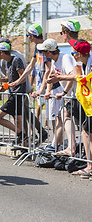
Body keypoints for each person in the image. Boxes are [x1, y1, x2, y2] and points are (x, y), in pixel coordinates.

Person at [47, 39, 92, 177]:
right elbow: (78, 76)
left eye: (73, 52)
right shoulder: (84, 63)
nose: (72, 55)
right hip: (88, 104)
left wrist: (60, 78)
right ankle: (89, 165)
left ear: (78, 54)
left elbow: (80, 78)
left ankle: (90, 166)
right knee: (86, 130)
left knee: (86, 132)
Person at [38, 39, 76, 151]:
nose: (42, 54)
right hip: (67, 95)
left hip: (73, 94)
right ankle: (56, 144)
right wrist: (47, 91)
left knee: (67, 118)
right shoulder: (55, 60)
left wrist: (64, 92)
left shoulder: (65, 58)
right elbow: (51, 76)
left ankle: (70, 147)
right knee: (61, 117)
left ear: (48, 52)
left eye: (43, 52)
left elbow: (72, 76)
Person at [0, 42, 28, 146]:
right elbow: (10, 79)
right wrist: (1, 81)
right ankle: (23, 145)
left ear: (2, 52)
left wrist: (10, 85)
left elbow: (22, 78)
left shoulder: (16, 60)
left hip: (17, 94)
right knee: (18, 121)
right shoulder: (8, 62)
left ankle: (21, 134)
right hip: (13, 93)